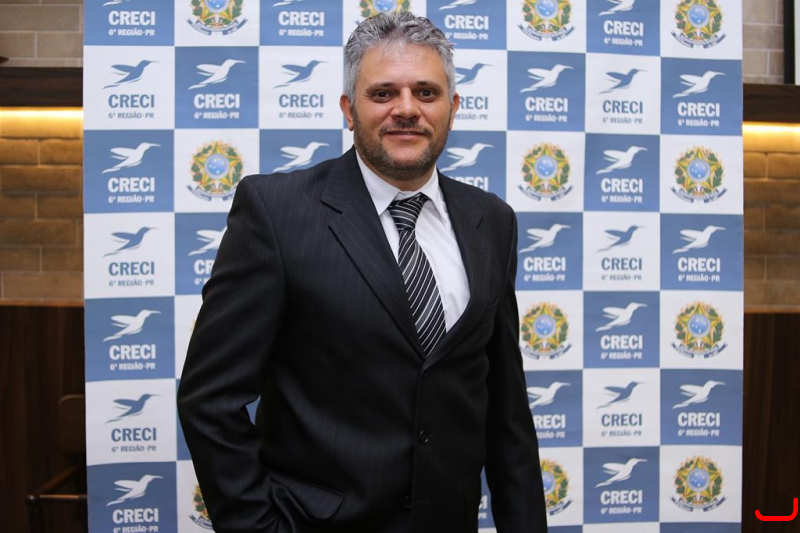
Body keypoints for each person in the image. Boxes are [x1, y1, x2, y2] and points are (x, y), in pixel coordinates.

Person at [177, 11, 547, 533]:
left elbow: (506, 410)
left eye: (426, 92)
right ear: (349, 110)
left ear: (453, 108)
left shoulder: (492, 221)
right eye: (382, 93)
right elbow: (209, 400)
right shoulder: (277, 213)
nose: (406, 109)